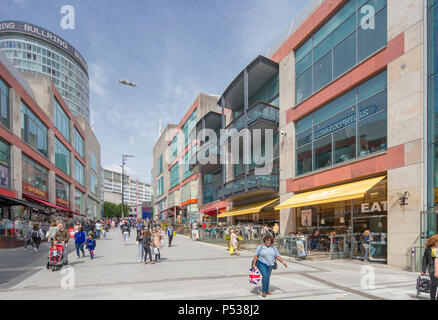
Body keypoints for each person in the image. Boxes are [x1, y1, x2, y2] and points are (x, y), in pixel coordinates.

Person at [421, 234, 438, 300]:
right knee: (434, 283)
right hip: (432, 267)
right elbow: (425, 260)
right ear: (435, 241)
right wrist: (423, 270)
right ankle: (432, 297)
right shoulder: (428, 249)